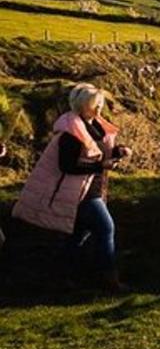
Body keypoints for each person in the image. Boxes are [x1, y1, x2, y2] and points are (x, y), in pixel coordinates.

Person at [12, 83, 132, 291]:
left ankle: (62, 277)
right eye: (94, 105)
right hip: (79, 194)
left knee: (79, 234)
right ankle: (109, 278)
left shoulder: (92, 125)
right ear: (81, 106)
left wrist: (118, 152)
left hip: (88, 189)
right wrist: (100, 165)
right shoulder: (70, 134)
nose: (98, 109)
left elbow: (98, 152)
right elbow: (67, 166)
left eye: (100, 104)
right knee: (105, 227)